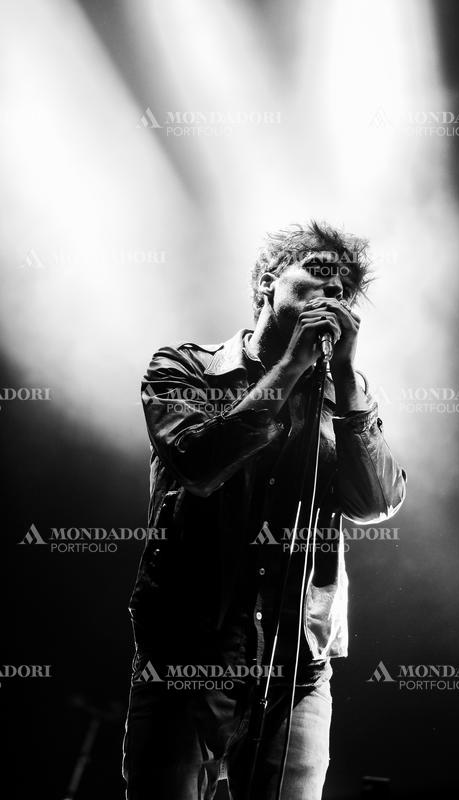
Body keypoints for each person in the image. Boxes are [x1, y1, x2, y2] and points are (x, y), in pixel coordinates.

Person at [123, 221, 406, 800]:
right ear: (266, 283)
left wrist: (346, 379)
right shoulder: (185, 369)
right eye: (319, 274)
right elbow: (199, 465)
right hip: (187, 660)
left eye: (344, 286)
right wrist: (292, 367)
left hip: (296, 667)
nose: (334, 292)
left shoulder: (344, 394)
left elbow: (376, 502)